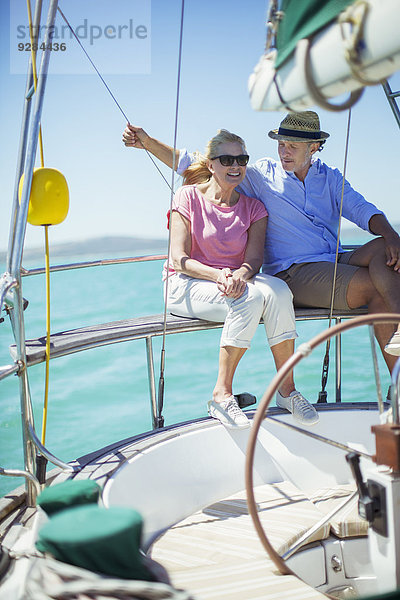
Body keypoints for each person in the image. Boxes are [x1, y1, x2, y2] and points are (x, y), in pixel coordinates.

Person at [122, 112, 400, 377]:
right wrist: (147, 142)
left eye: (293, 146)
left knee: (385, 250)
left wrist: (392, 235)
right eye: (281, 144)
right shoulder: (260, 176)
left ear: (314, 147)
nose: (284, 152)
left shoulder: (330, 177)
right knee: (377, 283)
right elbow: (194, 162)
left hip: (334, 260)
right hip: (294, 271)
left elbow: (363, 210)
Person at [143, 128, 318, 428]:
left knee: (278, 290)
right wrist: (220, 276)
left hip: (233, 280)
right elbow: (178, 259)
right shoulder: (186, 197)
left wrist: (239, 274)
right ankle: (222, 395)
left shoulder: (253, 208)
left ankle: (286, 390)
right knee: (247, 298)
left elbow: (254, 259)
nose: (235, 166)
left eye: (242, 159)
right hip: (184, 283)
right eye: (227, 159)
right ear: (211, 164)